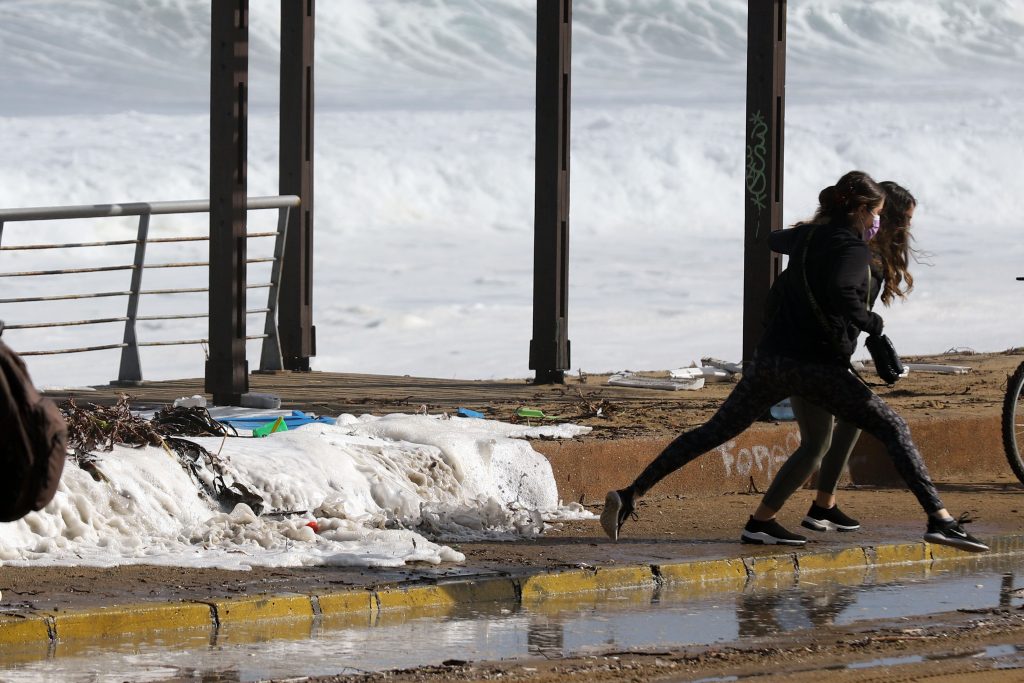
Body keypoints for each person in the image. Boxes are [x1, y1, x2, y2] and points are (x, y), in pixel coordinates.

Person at [600, 171, 988, 553]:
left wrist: (811, 233)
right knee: (893, 426)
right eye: (874, 214)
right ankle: (940, 520)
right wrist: (872, 323)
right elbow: (840, 289)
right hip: (816, 366)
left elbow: (775, 238)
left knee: (715, 430)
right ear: (862, 210)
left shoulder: (811, 235)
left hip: (772, 360)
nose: (876, 223)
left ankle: (632, 494)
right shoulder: (853, 250)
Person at [741, 181, 919, 546]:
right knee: (816, 444)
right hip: (808, 358)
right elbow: (840, 303)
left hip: (821, 357)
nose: (905, 230)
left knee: (851, 417)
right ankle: (761, 521)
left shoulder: (858, 251)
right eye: (899, 220)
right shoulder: (848, 251)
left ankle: (823, 504)